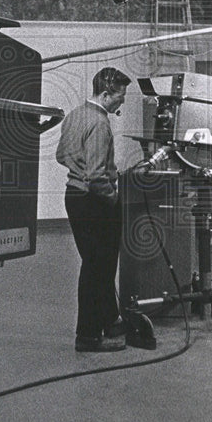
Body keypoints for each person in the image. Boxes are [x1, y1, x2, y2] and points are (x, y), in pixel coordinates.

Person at [56, 67, 132, 352]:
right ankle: (87, 336)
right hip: (94, 201)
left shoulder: (75, 114)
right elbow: (97, 176)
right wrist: (114, 199)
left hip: (74, 198)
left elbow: (60, 154)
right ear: (106, 93)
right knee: (97, 268)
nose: (122, 102)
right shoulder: (100, 123)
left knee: (97, 264)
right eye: (120, 96)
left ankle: (110, 320)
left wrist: (79, 167)